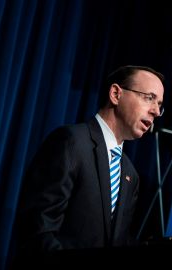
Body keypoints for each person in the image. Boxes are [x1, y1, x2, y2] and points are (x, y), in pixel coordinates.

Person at [14, 65, 165, 257]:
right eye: (149, 98)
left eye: (160, 104)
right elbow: (38, 230)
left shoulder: (130, 175)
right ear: (116, 94)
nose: (156, 111)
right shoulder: (70, 142)